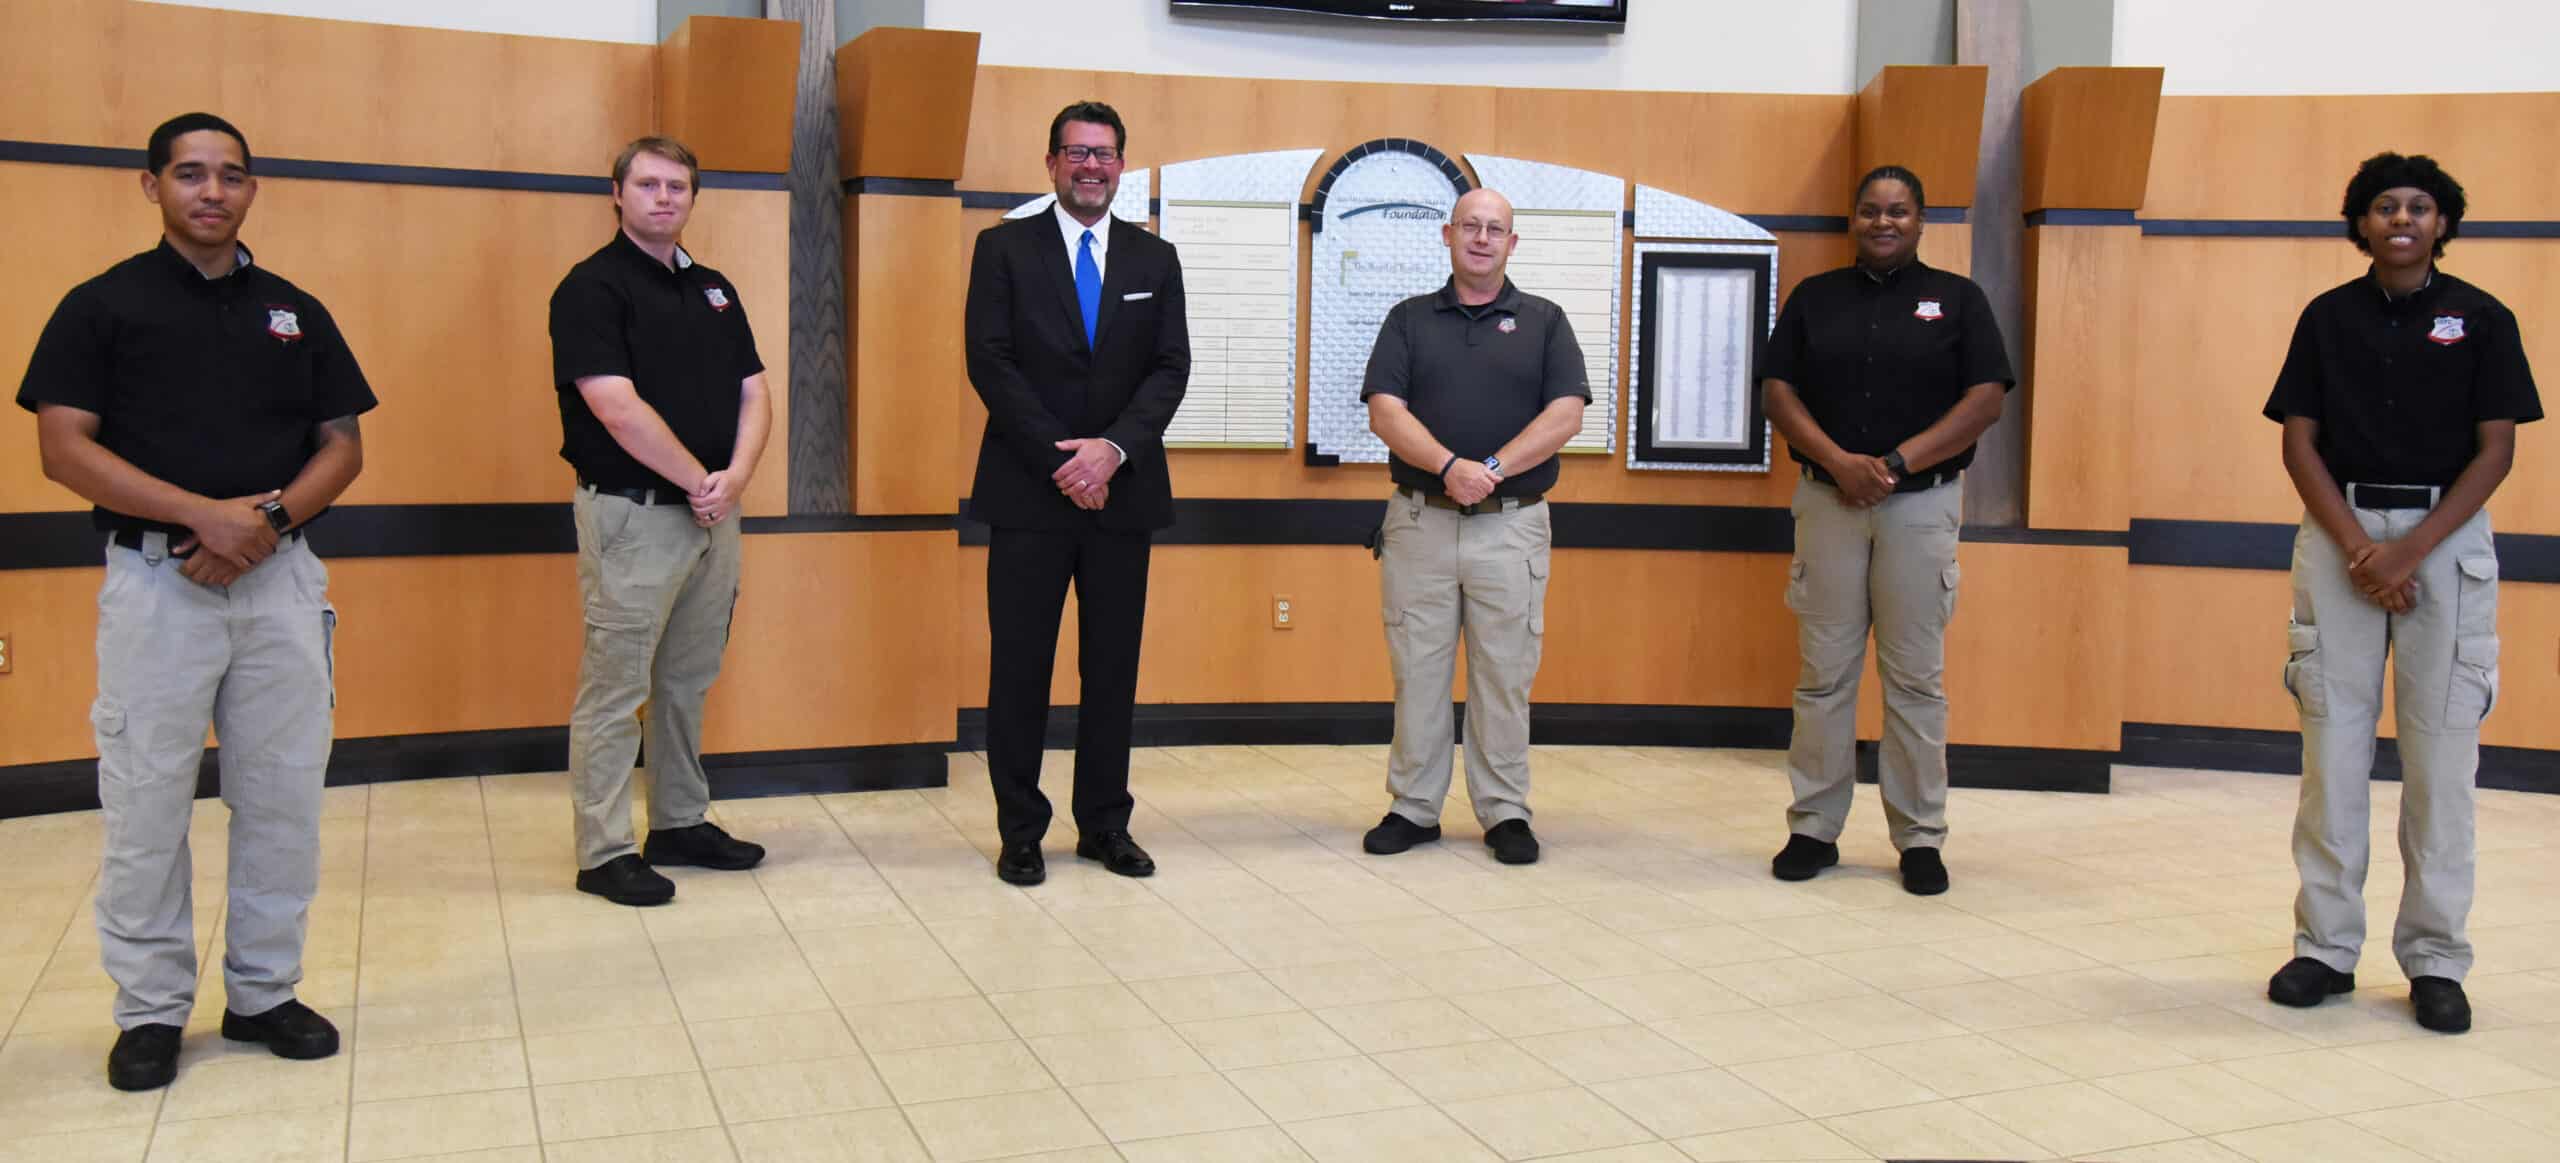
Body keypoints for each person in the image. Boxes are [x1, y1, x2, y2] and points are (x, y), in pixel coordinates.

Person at [19, 112, 373, 1090]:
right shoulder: (102, 306)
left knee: (282, 794)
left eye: (230, 175)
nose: (211, 190)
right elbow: (64, 447)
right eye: (190, 174)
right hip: (154, 586)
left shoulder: (294, 310)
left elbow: (342, 444)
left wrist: (258, 522)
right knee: (146, 804)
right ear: (153, 186)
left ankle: (262, 992)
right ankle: (150, 1010)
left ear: (252, 189)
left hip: (280, 582)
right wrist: (202, 519)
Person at [2260, 152, 2538, 1035]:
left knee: (2441, 763)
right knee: (2332, 756)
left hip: (2446, 545)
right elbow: (2298, 442)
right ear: (2362, 223)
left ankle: (2435, 959)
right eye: (2386, 207)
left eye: (2421, 207)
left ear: (2444, 223)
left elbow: (2495, 450)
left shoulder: (2483, 320)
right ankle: (2325, 948)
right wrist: (2357, 548)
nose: (2403, 219)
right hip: (2339, 538)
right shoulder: (2327, 318)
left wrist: (2410, 550)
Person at [1761, 164, 2013, 896]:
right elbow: (1778, 392)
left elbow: (1986, 399)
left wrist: (1895, 464)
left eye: (1898, 211)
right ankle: (1813, 826)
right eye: (1869, 209)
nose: (1882, 222)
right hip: (1828, 503)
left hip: (1920, 506)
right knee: (1824, 675)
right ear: (1853, 218)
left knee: (1915, 680)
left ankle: (1920, 837)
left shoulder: (1958, 300)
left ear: (1920, 219)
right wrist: (1841, 462)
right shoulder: (1816, 299)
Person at [963, 100, 1190, 886]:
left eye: (1103, 153)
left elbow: (1170, 369)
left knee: (1111, 670)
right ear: (1051, 163)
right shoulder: (1003, 250)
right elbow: (990, 362)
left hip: (1123, 497)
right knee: (1020, 669)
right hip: (1030, 493)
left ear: (1121, 165)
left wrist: (1111, 452)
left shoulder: (1154, 260)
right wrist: (1066, 460)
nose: (1090, 166)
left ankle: (1104, 824)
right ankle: (1021, 830)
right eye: (1075, 153)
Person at [549, 136, 772, 907]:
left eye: (679, 185)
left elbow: (754, 391)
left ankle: (677, 820)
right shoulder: (592, 288)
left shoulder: (713, 289)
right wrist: (698, 483)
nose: (664, 197)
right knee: (615, 687)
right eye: (648, 184)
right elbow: (614, 407)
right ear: (617, 193)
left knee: (686, 679)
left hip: (712, 514)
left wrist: (734, 480)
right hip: (634, 515)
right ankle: (602, 848)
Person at [1357, 187, 1590, 867]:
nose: (1482, 238)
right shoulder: (1407, 319)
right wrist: (1447, 465)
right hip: (1420, 522)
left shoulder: (1546, 321)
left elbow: (1566, 412)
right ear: (1448, 235)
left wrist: (1488, 468)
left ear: (1512, 244)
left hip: (1510, 527)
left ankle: (1505, 810)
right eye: (1471, 226)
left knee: (1504, 674)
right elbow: (1384, 409)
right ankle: (1413, 807)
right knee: (1418, 671)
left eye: (1496, 229)